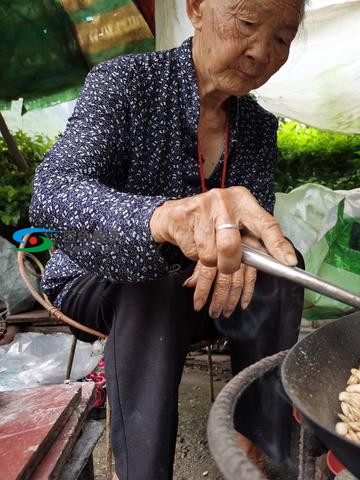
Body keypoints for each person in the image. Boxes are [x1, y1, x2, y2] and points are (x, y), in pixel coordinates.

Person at [29, 0, 308, 478]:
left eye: (282, 38)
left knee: (283, 267)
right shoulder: (124, 82)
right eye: (246, 23)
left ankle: (252, 443)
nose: (262, 52)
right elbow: (54, 195)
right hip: (97, 277)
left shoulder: (258, 126)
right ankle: (141, 470)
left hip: (203, 294)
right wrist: (164, 220)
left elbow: (251, 223)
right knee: (157, 277)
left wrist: (245, 246)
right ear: (196, 9)